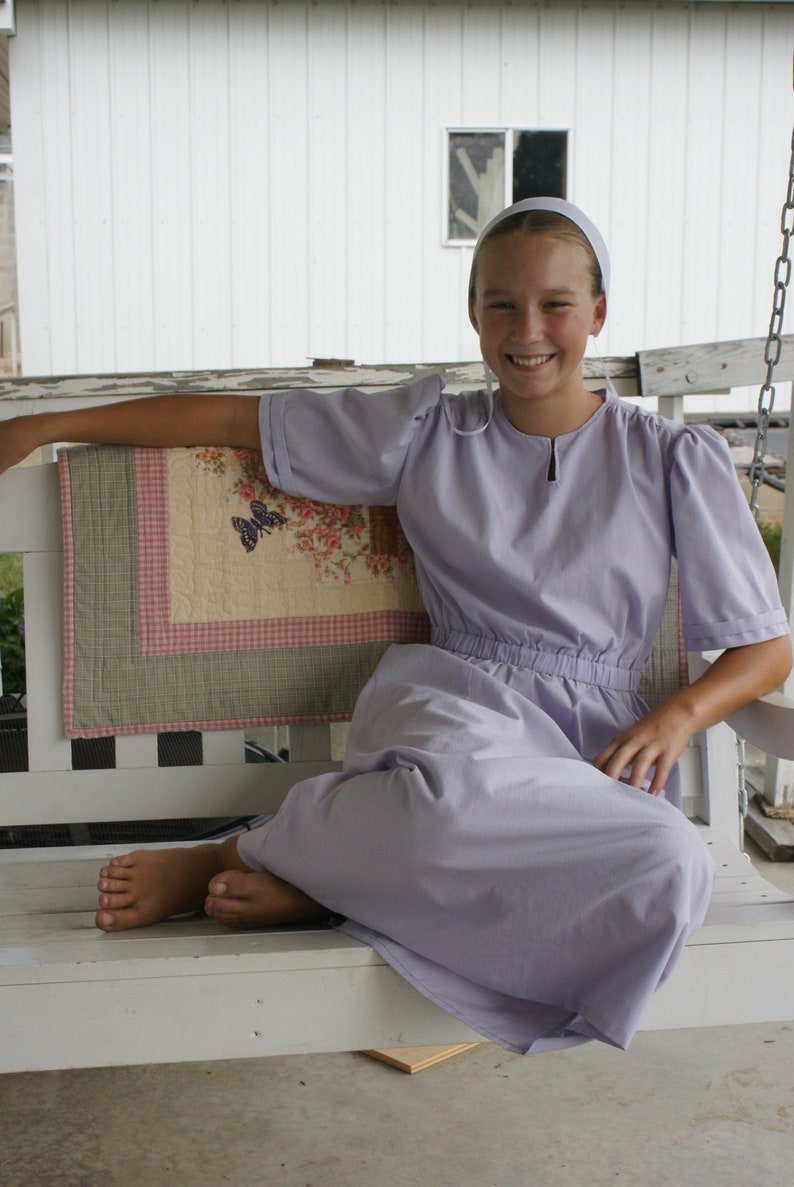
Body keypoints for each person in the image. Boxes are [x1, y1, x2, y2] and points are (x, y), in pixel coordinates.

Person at [1, 198, 790, 1054]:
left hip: (594, 755)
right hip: (461, 715)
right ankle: (242, 854)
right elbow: (240, 422)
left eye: (557, 303)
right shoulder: (426, 432)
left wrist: (678, 716)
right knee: (451, 809)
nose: (529, 329)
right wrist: (44, 424)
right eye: (501, 303)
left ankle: (323, 884)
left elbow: (764, 645)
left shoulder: (673, 458)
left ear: (598, 312)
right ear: (473, 311)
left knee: (673, 865)